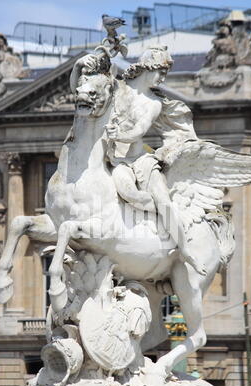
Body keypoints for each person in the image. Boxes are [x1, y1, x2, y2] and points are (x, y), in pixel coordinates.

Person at [105, 46, 206, 276]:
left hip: (138, 160)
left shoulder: (154, 102)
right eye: (161, 72)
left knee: (164, 202)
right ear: (147, 68)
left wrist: (114, 133)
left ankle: (186, 250)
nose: (162, 78)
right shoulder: (117, 89)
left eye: (165, 73)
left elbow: (137, 132)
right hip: (113, 158)